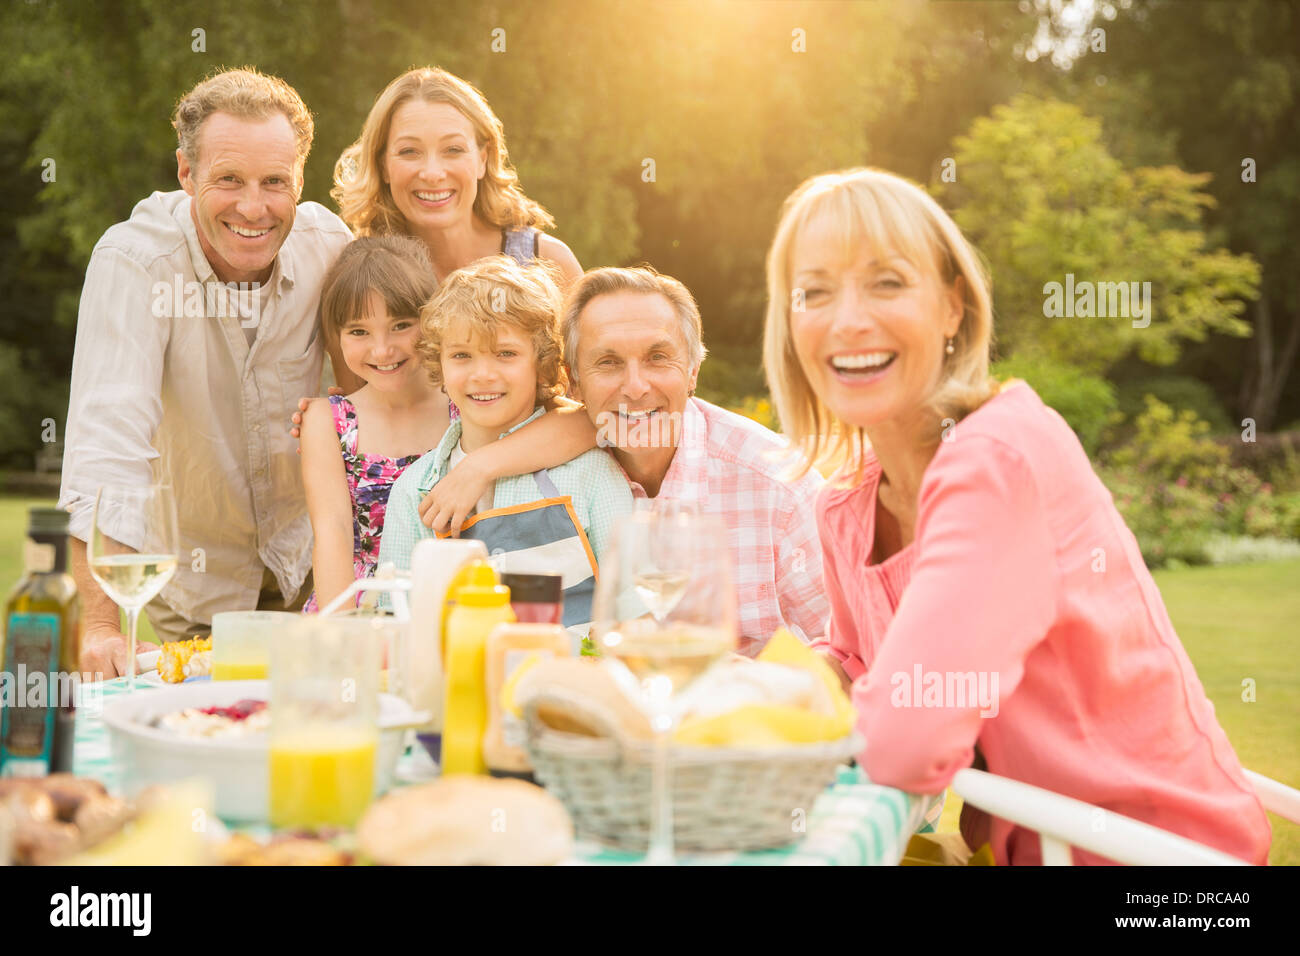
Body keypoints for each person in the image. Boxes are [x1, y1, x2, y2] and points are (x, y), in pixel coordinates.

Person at [763, 166, 1271, 865]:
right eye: (814, 291)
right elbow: (854, 665)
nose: (848, 318)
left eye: (886, 282)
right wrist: (751, 691)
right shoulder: (845, 508)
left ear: (953, 308)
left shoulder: (998, 460)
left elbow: (903, 743)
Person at [60, 68, 354, 677]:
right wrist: (98, 626)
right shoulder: (135, 262)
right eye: (228, 180)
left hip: (311, 578)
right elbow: (107, 451)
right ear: (185, 173)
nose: (254, 207)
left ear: (300, 178)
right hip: (187, 591)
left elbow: (374, 406)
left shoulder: (329, 246)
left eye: (275, 182)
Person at [292, 66, 595, 533]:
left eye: (453, 149)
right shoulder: (361, 279)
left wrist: (479, 466)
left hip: (537, 520)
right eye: (409, 152)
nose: (432, 172)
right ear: (383, 164)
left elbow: (593, 415)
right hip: (416, 526)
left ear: (483, 157)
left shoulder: (545, 262)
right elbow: (363, 416)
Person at [561, 266, 829, 655]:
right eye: (608, 362)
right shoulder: (552, 482)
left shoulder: (781, 487)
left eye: (657, 357)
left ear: (692, 371)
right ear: (573, 382)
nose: (635, 387)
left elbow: (849, 650)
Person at [379, 256, 633, 629]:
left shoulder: (589, 472)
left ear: (542, 364)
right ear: (441, 366)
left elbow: (633, 604)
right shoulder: (415, 489)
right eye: (462, 355)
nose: (483, 374)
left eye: (505, 354)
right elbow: (396, 617)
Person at [300, 236, 448, 612]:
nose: (382, 349)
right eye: (359, 332)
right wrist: (345, 639)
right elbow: (331, 533)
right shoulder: (328, 422)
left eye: (400, 325)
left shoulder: (465, 409)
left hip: (449, 602)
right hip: (360, 608)